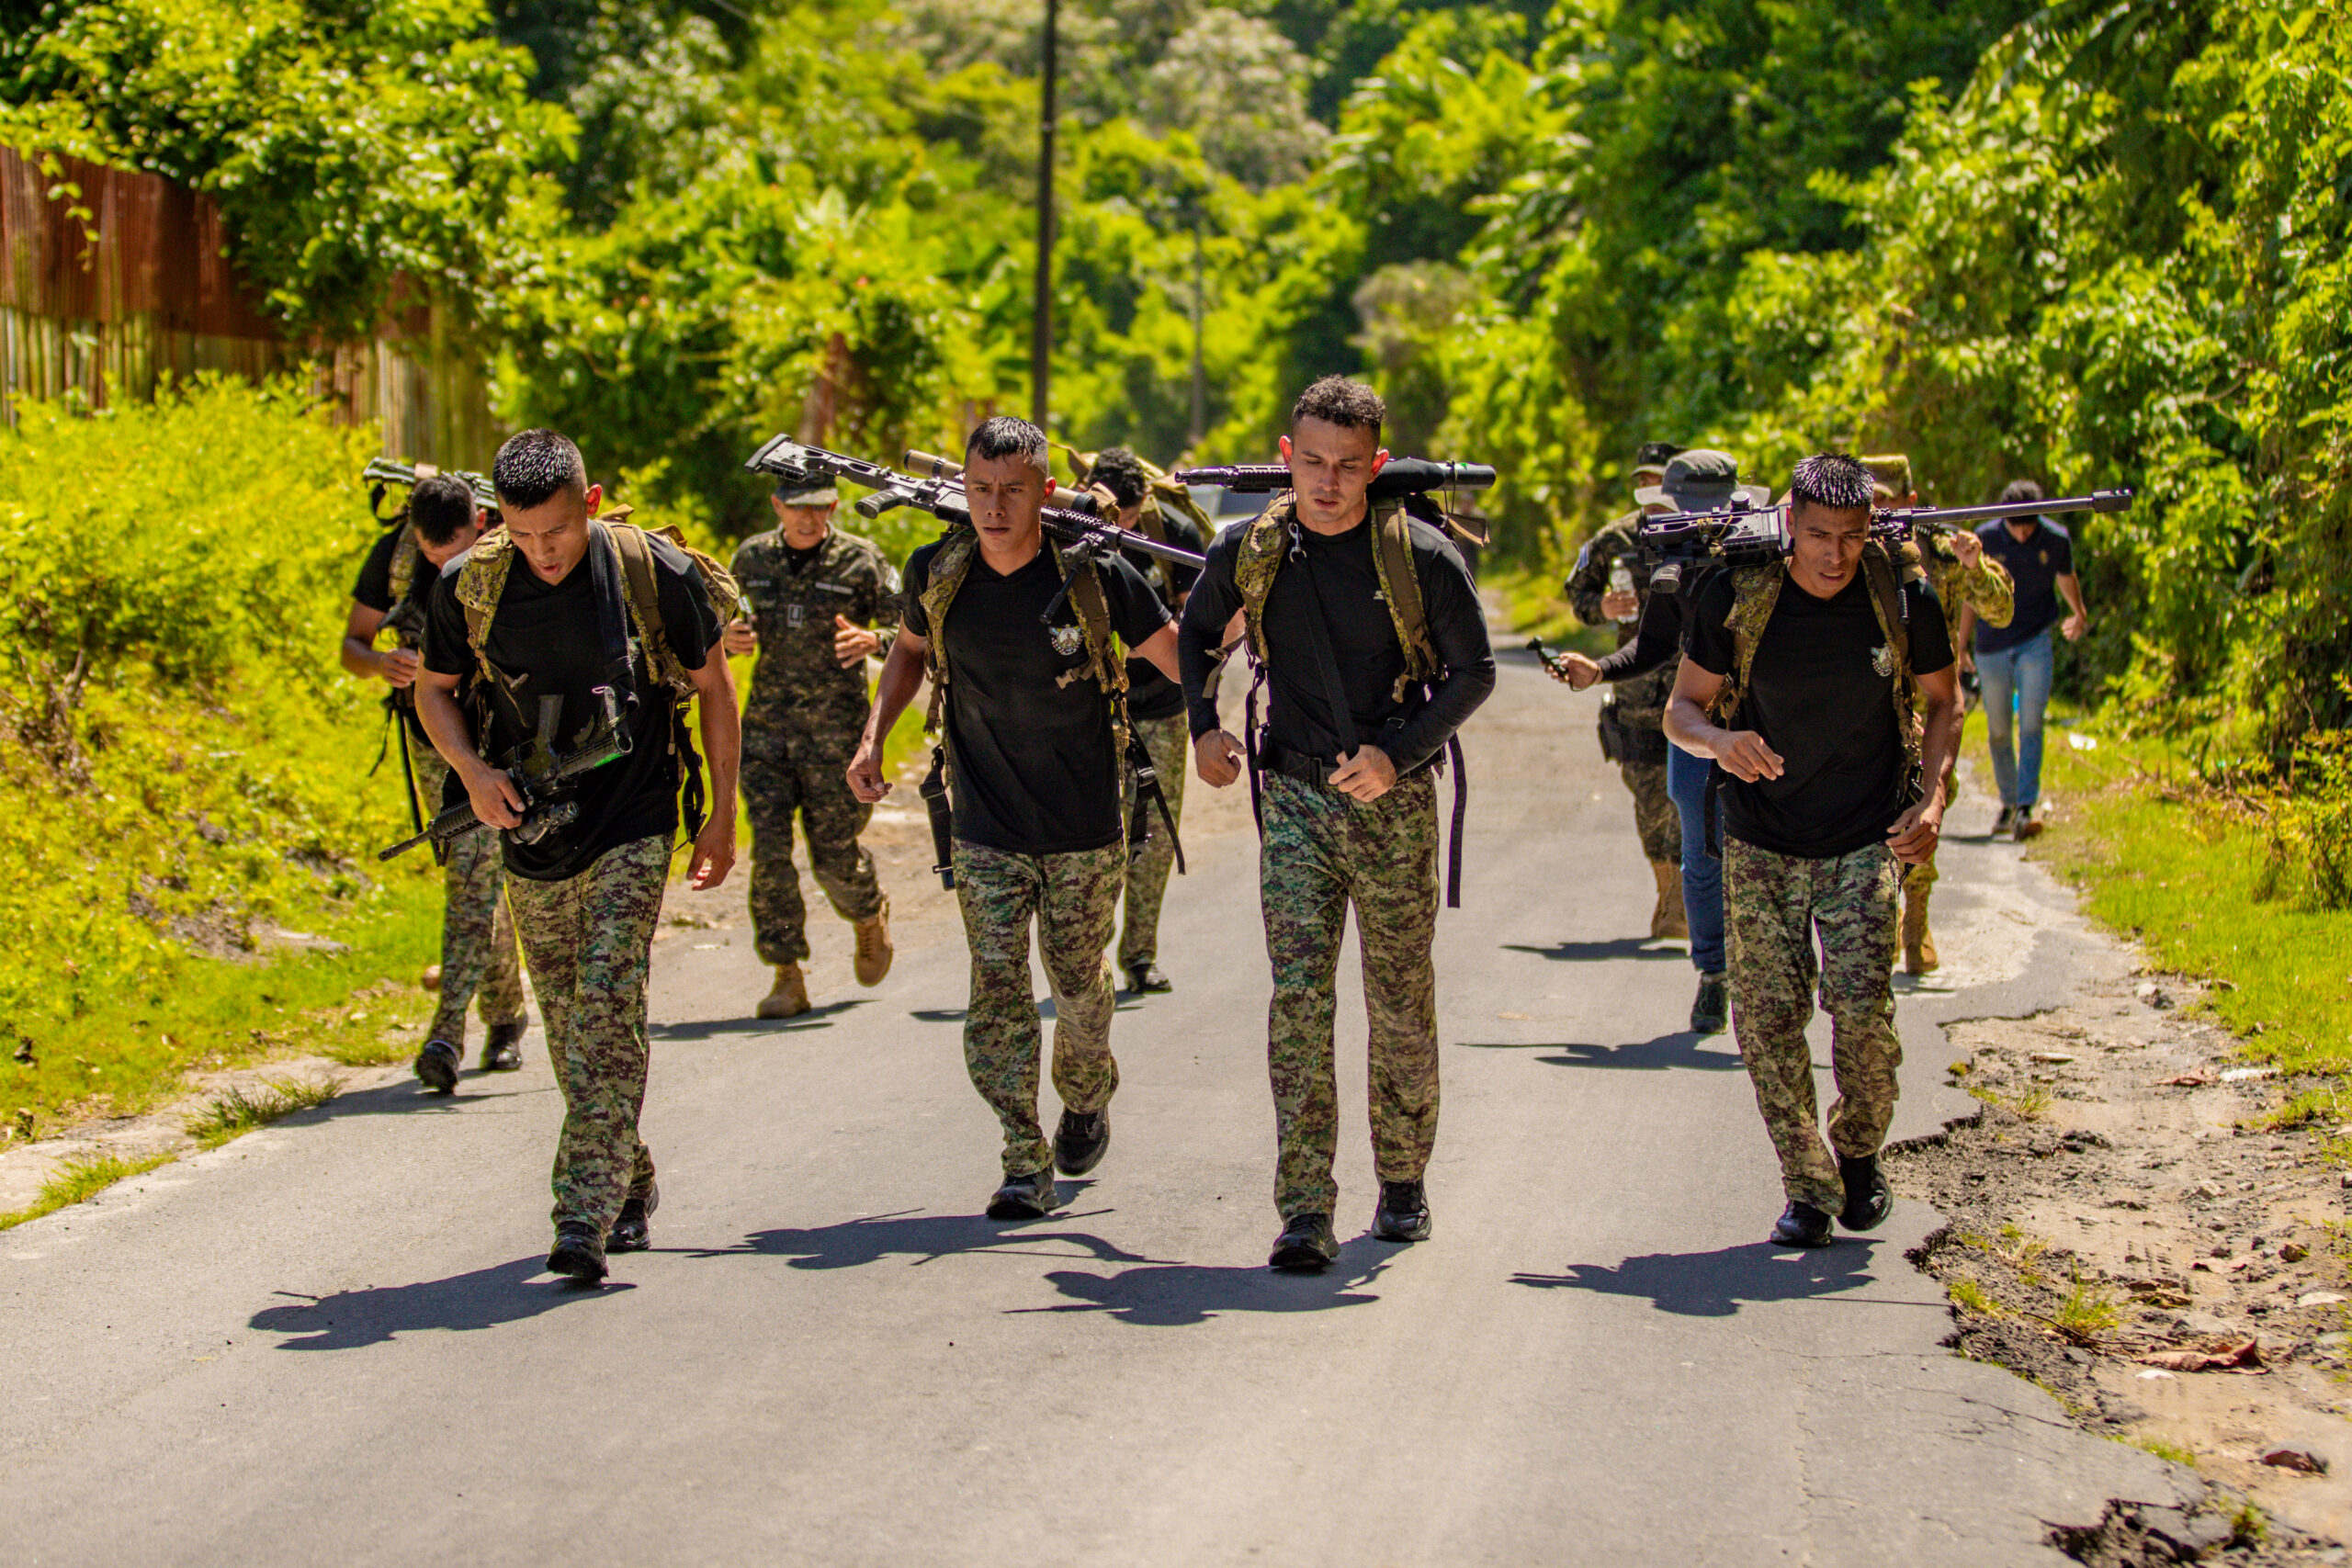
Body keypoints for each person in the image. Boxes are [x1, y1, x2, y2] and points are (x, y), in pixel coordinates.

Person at [1180, 377, 1496, 1271]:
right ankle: (1305, 1209)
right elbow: (1198, 636)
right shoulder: (1251, 549)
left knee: (1398, 999)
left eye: (1348, 466)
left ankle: (1401, 1182)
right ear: (1287, 458)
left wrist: (1400, 752)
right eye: (1312, 461)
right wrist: (1203, 730)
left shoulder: (1420, 557)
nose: (1327, 481)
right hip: (1293, 803)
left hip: (1393, 807)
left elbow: (1473, 673)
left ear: (1377, 466)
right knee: (1299, 1003)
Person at [414, 429, 739, 1283]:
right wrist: (472, 772)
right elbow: (433, 691)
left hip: (633, 819)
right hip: (531, 831)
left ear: (589, 505)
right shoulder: (471, 586)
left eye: (555, 531)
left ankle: (579, 1212)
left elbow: (713, 688)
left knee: (604, 1001)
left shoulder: (650, 574)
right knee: (565, 1024)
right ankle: (629, 1174)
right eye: (521, 536)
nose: (542, 552)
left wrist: (720, 819)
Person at [847, 416, 1181, 1222]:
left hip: (1083, 828)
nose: (994, 507)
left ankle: (1088, 1092)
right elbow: (908, 651)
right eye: (981, 488)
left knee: (1079, 991)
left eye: (1013, 490)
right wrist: (872, 735)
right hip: (985, 823)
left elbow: (1180, 656)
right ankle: (1021, 1155)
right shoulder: (938, 570)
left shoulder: (1097, 577)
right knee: (996, 989)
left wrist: (1214, 729)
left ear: (1047, 493)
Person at [1665, 453, 1960, 1248]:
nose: (1835, 555)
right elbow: (1681, 712)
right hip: (1760, 842)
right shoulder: (1736, 595)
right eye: (1820, 535)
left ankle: (1859, 1153)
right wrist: (1721, 743)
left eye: (1853, 537)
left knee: (1863, 1018)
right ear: (1790, 522)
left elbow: (1944, 703)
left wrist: (1930, 799)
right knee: (1765, 1025)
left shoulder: (1903, 597)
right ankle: (1806, 1183)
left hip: (1865, 841)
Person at [1547, 449, 1771, 1035]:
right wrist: (1598, 670)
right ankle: (1715, 975)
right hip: (1696, 726)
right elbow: (1650, 649)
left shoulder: (1772, 561)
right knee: (1700, 853)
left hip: (1769, 727)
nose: (1699, 524)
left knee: (1776, 852)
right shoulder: (1675, 567)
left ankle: (1777, 977)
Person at [339, 471, 529, 1089]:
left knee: (474, 878)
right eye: (430, 553)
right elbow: (353, 643)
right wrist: (380, 663)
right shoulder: (393, 554)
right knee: (473, 876)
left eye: (453, 552)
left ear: (479, 523)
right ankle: (506, 1019)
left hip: (499, 740)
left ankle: (446, 1032)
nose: (441, 564)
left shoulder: (512, 547)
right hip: (431, 741)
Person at [723, 477, 899, 1019]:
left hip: (836, 738)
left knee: (833, 858)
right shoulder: (749, 560)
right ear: (778, 507)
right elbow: (716, 625)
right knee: (770, 854)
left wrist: (876, 641)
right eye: (798, 509)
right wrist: (728, 638)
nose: (809, 519)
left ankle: (867, 915)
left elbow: (915, 630)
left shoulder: (862, 562)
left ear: (834, 506)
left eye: (820, 509)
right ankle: (787, 975)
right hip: (767, 734)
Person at [1862, 455, 2013, 973]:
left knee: (1923, 809)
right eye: (1868, 500)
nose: (1876, 510)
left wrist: (1976, 567)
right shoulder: (1840, 549)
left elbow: (2001, 609)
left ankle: (1916, 920)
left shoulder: (1943, 549)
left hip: (1931, 699)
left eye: (1885, 500)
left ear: (1909, 501)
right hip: (1867, 700)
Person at [1083, 446, 1207, 996]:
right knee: (1093, 837)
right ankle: (1088, 958)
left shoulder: (1172, 532)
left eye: (1132, 518)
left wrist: (1148, 643)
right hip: (1088, 710)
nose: (1123, 527)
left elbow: (1200, 617)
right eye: (1117, 515)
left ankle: (1139, 955)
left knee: (1152, 835)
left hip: (1159, 705)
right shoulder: (1067, 528)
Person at [1563, 441, 1687, 941]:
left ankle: (1680, 900)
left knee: (1691, 792)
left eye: (1656, 478)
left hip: (1695, 684)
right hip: (1635, 689)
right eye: (1641, 480)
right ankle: (1666, 889)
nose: (1647, 488)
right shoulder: (1613, 540)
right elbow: (1578, 591)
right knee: (1648, 792)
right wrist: (1603, 611)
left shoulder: (1699, 536)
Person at [1960, 479, 2089, 841]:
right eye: (2016, 526)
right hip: (1992, 644)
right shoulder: (1983, 539)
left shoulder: (2055, 539)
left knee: (2032, 722)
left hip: (2035, 640)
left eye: (2029, 526)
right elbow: (1971, 596)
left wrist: (2078, 613)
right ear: (2005, 521)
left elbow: (2066, 576)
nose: (2022, 533)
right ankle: (2009, 801)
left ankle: (2027, 806)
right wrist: (1961, 646)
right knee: (1999, 729)